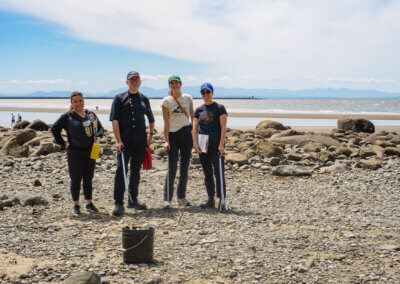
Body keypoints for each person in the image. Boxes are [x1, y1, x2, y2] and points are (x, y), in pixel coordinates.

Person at [110, 71, 155, 216]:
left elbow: (151, 119)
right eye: (132, 80)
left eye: (137, 80)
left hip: (140, 141)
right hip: (124, 142)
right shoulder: (119, 98)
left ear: (140, 82)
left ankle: (133, 199)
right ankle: (118, 203)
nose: (134, 82)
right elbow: (115, 120)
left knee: (136, 171)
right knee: (121, 170)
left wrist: (150, 134)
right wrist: (118, 141)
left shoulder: (144, 99)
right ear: (127, 82)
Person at [51, 91, 104, 214]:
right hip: (75, 152)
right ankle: (76, 205)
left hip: (91, 150)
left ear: (83, 101)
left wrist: (98, 135)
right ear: (71, 103)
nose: (78, 103)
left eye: (80, 100)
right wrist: (63, 143)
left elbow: (100, 128)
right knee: (75, 179)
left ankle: (89, 203)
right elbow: (54, 128)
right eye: (75, 101)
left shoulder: (90, 114)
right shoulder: (67, 116)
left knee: (88, 178)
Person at [192, 83, 228, 211]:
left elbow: (223, 127)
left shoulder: (219, 108)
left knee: (219, 173)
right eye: (203, 92)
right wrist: (195, 144)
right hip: (203, 145)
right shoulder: (199, 110)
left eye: (208, 92)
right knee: (207, 173)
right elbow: (195, 128)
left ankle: (221, 199)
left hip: (216, 144)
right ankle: (210, 199)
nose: (206, 95)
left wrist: (221, 145)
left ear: (212, 93)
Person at [161, 75, 194, 209]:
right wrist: (166, 140)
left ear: (181, 84)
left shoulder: (187, 98)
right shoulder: (166, 101)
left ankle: (181, 197)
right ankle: (167, 200)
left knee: (184, 167)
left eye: (177, 83)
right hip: (173, 135)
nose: (175, 85)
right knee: (172, 168)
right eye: (172, 83)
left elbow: (193, 118)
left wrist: (195, 136)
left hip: (186, 133)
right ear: (169, 86)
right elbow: (166, 122)